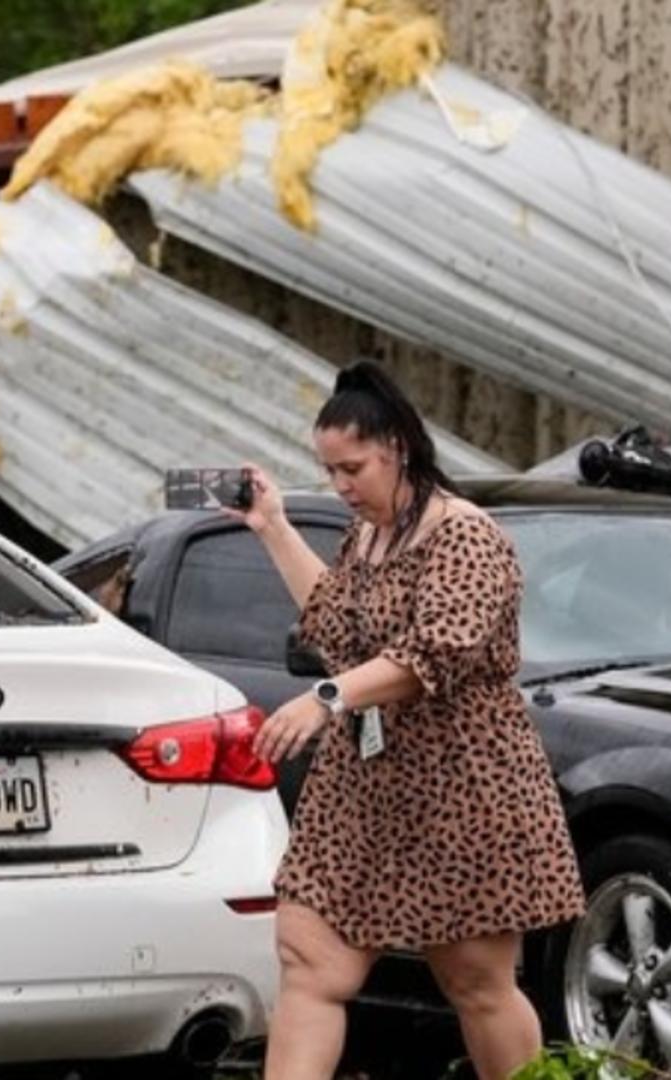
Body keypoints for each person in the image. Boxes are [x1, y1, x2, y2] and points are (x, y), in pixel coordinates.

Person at [235, 361, 584, 1080]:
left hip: (464, 783)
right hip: (366, 786)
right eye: (328, 471)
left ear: (397, 445)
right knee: (307, 958)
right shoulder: (366, 537)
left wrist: (325, 699)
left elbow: (430, 654)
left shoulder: (465, 536)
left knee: (477, 983)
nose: (340, 487)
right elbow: (334, 622)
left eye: (352, 468)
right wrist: (271, 527)